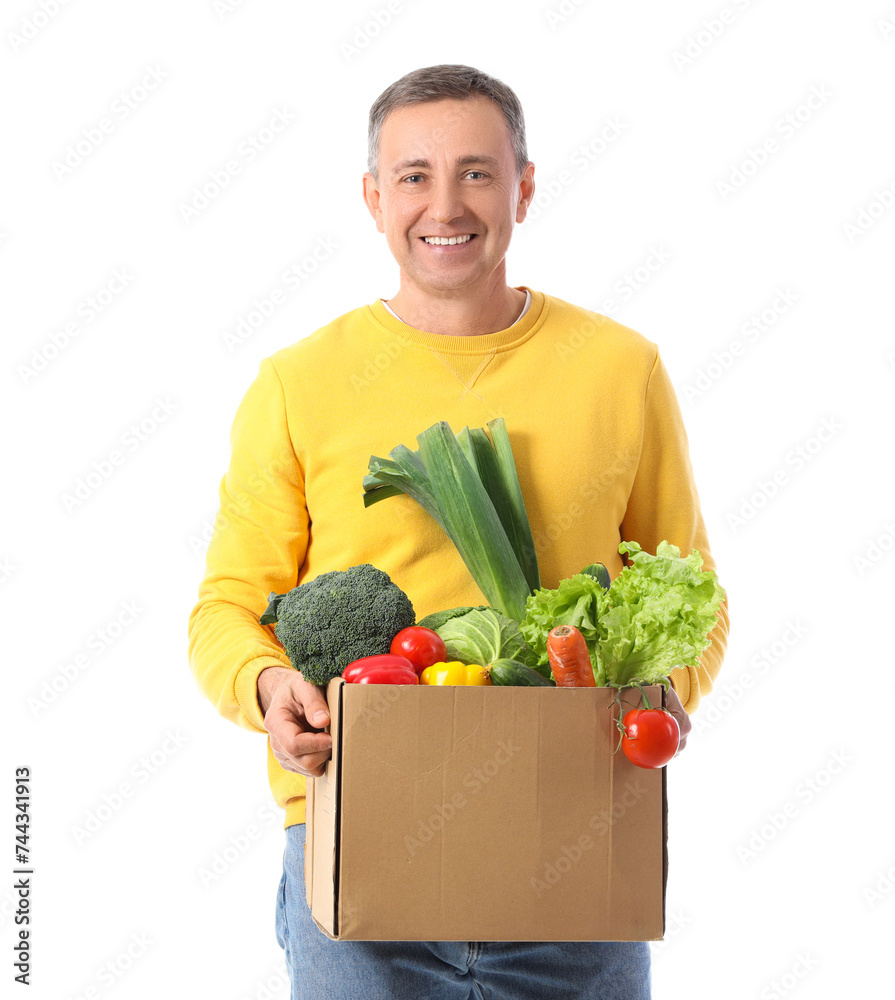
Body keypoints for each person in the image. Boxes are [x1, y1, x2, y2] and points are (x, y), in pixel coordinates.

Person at [188, 63, 729, 1000]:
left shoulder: (619, 369)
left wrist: (663, 692)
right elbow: (227, 607)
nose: (445, 204)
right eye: (413, 175)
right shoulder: (298, 383)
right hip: (359, 863)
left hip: (571, 853)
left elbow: (693, 596)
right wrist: (269, 685)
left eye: (477, 172)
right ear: (371, 197)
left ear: (523, 186)